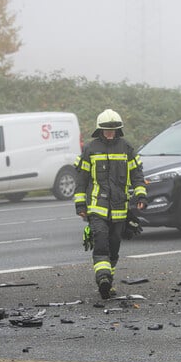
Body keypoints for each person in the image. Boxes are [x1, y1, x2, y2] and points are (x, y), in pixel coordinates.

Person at [73, 109, 148, 299]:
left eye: (113, 129)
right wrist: (81, 205)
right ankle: (102, 278)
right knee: (100, 242)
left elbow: (137, 175)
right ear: (100, 130)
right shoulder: (90, 149)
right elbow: (81, 180)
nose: (109, 133)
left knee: (114, 247)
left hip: (120, 209)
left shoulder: (126, 148)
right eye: (106, 130)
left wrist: (141, 196)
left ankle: (108, 282)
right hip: (97, 207)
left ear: (118, 130)